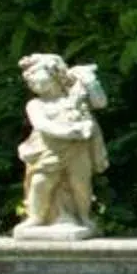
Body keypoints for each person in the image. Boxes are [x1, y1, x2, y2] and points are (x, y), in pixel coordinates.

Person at [16, 54, 108, 236]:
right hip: (47, 151)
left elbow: (100, 102)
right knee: (39, 183)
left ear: (55, 74)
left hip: (77, 150)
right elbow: (42, 125)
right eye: (28, 79)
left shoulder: (75, 99)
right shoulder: (35, 104)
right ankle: (36, 217)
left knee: (80, 185)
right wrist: (70, 132)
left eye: (35, 73)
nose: (30, 80)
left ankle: (83, 217)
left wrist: (90, 82)